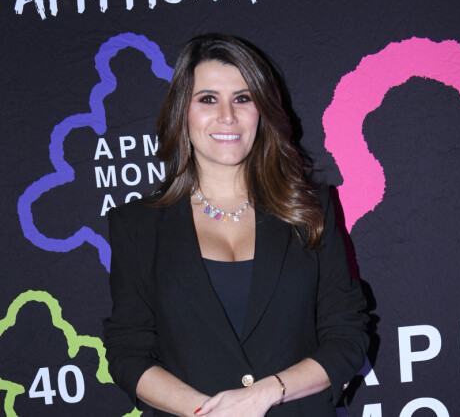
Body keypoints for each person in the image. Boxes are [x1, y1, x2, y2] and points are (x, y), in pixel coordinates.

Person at [103, 33, 368, 416]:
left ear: (261, 110)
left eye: (243, 98)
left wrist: (263, 394)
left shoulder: (310, 210)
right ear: (183, 112)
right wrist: (207, 412)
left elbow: (347, 336)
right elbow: (128, 353)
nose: (227, 116)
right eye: (208, 99)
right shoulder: (138, 226)